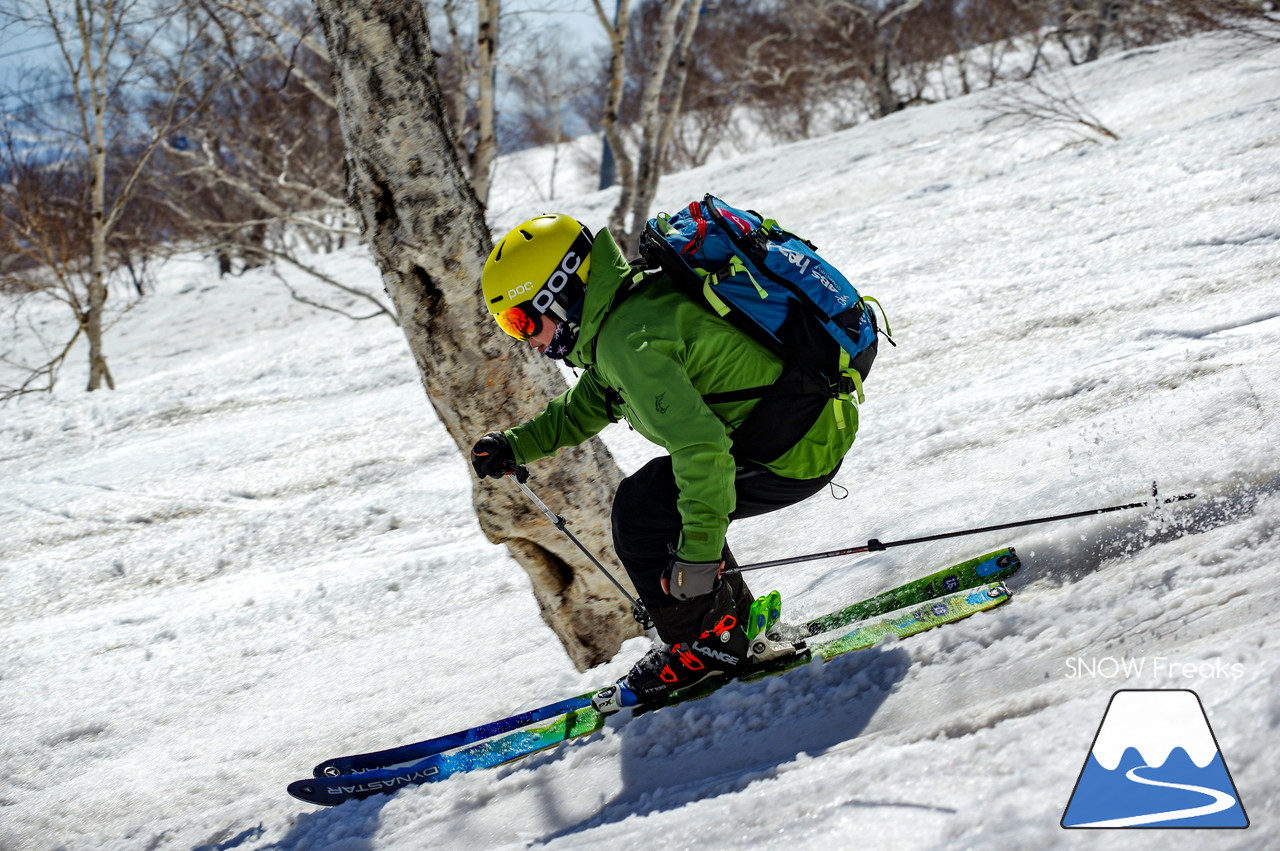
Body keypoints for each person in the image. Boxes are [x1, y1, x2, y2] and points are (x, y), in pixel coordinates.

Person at [470, 213, 857, 711]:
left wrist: (697, 556)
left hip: (795, 447)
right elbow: (590, 402)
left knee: (645, 511)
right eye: (509, 327)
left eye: (522, 320)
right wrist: (517, 445)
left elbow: (702, 451)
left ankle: (703, 646)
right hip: (803, 426)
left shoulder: (628, 341)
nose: (527, 340)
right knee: (657, 501)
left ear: (561, 291)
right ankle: (724, 630)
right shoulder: (624, 315)